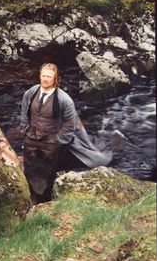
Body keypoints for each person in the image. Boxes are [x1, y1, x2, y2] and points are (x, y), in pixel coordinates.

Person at [20, 63, 112, 204]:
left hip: (50, 142)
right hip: (31, 139)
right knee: (29, 170)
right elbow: (24, 112)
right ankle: (29, 199)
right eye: (43, 75)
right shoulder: (31, 92)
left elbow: (70, 123)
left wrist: (57, 140)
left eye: (49, 77)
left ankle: (44, 204)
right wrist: (26, 130)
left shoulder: (64, 99)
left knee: (47, 175)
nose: (45, 79)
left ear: (55, 79)